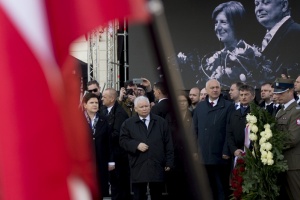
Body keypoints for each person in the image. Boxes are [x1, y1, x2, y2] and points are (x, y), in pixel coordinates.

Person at [119, 96, 174, 200]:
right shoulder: (128, 123)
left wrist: (169, 162)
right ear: (135, 108)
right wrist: (136, 145)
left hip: (157, 164)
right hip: (138, 164)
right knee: (139, 195)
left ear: (150, 106)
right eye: (141, 107)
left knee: (157, 194)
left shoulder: (161, 122)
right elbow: (122, 141)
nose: (144, 108)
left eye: (146, 106)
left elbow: (168, 143)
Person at [201, 1, 261, 88]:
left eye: (223, 22)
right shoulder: (213, 59)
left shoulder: (253, 56)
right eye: (216, 23)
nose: (218, 27)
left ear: (237, 24)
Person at [193, 79, 234, 200]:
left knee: (221, 188)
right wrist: (194, 150)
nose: (215, 90)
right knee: (207, 187)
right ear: (206, 90)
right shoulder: (200, 107)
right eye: (212, 88)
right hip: (204, 154)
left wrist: (226, 150)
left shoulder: (228, 106)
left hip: (220, 155)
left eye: (217, 87)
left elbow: (229, 130)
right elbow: (194, 130)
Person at [255, 0, 300, 79]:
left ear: (284, 5)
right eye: (256, 4)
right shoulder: (263, 39)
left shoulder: (296, 33)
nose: (259, 8)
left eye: (265, 2)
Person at [101, 88, 131, 200]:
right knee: (113, 184)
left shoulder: (120, 113)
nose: (102, 99)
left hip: (119, 156)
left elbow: (117, 134)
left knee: (120, 185)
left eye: (104, 97)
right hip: (109, 154)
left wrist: (102, 136)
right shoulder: (104, 110)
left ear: (112, 98)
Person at [273, 78, 300, 199]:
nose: (278, 96)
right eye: (276, 93)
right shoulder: (280, 111)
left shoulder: (296, 111)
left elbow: (293, 138)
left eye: (281, 93)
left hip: (293, 164)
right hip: (281, 162)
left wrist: (272, 144)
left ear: (290, 91)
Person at [82, 93, 110, 199]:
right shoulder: (78, 119)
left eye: (96, 103)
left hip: (100, 161)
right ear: (85, 105)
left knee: (99, 191)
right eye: (91, 103)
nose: (95, 105)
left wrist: (110, 161)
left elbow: (109, 142)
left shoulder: (104, 119)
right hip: (85, 162)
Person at [227, 85, 256, 163]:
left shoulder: (258, 112)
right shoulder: (233, 114)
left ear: (253, 96)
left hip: (252, 155)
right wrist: (234, 150)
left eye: (246, 94)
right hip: (236, 154)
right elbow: (229, 134)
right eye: (241, 95)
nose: (243, 97)